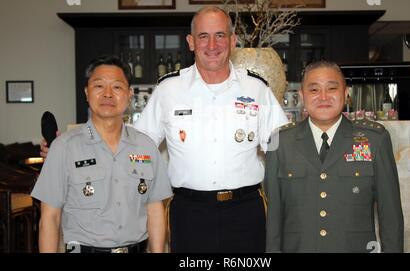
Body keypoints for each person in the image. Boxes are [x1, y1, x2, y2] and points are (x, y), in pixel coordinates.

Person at [133, 6, 288, 252]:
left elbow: (284, 148)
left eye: (220, 35)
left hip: (246, 212)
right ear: (191, 42)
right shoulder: (168, 90)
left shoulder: (256, 89)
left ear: (233, 41)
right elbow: (137, 146)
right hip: (188, 213)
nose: (212, 44)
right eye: (203, 36)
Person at [32, 55, 173, 253]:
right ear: (86, 92)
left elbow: (155, 210)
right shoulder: (63, 147)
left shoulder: (146, 146)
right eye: (99, 86)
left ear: (129, 94)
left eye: (116, 87)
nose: (108, 94)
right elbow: (49, 218)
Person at [264, 60, 404, 253]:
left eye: (331, 88)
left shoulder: (374, 140)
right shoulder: (280, 143)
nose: (323, 97)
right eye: (314, 90)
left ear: (346, 94)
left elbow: (391, 216)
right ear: (302, 96)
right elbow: (273, 218)